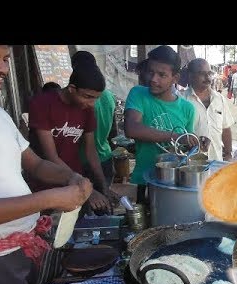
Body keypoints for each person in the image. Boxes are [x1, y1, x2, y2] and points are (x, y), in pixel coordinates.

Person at [0, 45, 93, 284]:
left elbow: (36, 164)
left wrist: (72, 176)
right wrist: (49, 198)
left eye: (5, 59)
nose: (3, 68)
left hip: (23, 249)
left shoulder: (1, 116)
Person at [27, 63, 112, 214]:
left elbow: (91, 151)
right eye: (87, 97)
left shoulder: (87, 109)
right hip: (45, 185)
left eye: (95, 99)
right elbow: (51, 156)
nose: (91, 103)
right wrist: (87, 190)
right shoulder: (42, 104)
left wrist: (103, 186)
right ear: (72, 89)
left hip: (75, 181)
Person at [124, 45, 198, 203]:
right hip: (145, 181)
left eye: (161, 75)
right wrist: (175, 136)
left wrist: (196, 143)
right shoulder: (138, 94)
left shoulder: (188, 109)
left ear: (175, 78)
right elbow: (131, 129)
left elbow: (186, 146)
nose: (153, 79)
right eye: (151, 72)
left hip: (174, 183)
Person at [71, 51, 118, 191]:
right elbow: (113, 131)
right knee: (104, 203)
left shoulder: (82, 100)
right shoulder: (109, 96)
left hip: (84, 161)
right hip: (105, 156)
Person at [182, 58, 234, 162]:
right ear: (190, 75)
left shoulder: (219, 99)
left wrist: (228, 154)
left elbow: (226, 129)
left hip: (216, 162)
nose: (208, 78)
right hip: (190, 165)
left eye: (209, 73)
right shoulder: (181, 100)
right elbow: (177, 134)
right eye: (202, 73)